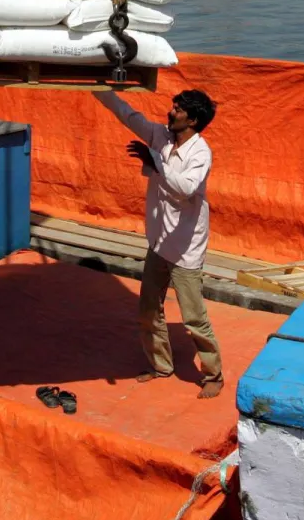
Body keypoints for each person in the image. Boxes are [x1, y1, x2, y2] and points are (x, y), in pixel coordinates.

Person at [94, 87, 223, 398]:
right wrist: (97, 87)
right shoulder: (161, 136)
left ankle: (213, 373)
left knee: (193, 316)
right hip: (159, 240)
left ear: (192, 120)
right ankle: (161, 364)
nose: (171, 112)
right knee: (149, 308)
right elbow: (127, 114)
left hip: (185, 247)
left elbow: (185, 189)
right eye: (173, 106)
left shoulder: (200, 153)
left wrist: (155, 165)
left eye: (178, 110)